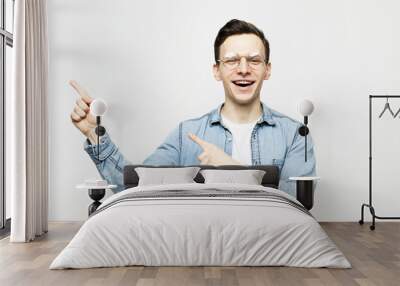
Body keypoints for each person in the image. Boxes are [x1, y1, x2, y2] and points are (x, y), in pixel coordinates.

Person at [69, 19, 316, 196]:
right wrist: (93, 133)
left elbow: (296, 205)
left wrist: (231, 168)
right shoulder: (185, 134)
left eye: (254, 60)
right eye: (231, 61)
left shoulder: (295, 135)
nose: (243, 69)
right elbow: (133, 187)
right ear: (217, 71)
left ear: (267, 70)